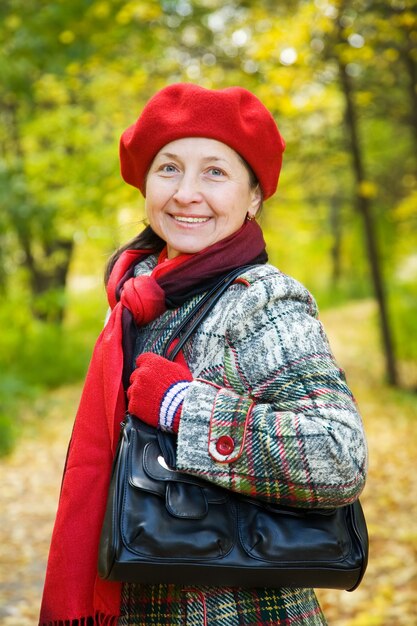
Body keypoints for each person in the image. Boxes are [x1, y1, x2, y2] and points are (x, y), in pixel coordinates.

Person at [39, 83, 367, 626]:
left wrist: (181, 407)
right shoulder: (133, 301)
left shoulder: (263, 299)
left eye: (214, 172)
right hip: (131, 593)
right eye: (169, 168)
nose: (187, 192)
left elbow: (340, 456)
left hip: (235, 608)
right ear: (145, 184)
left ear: (254, 195)